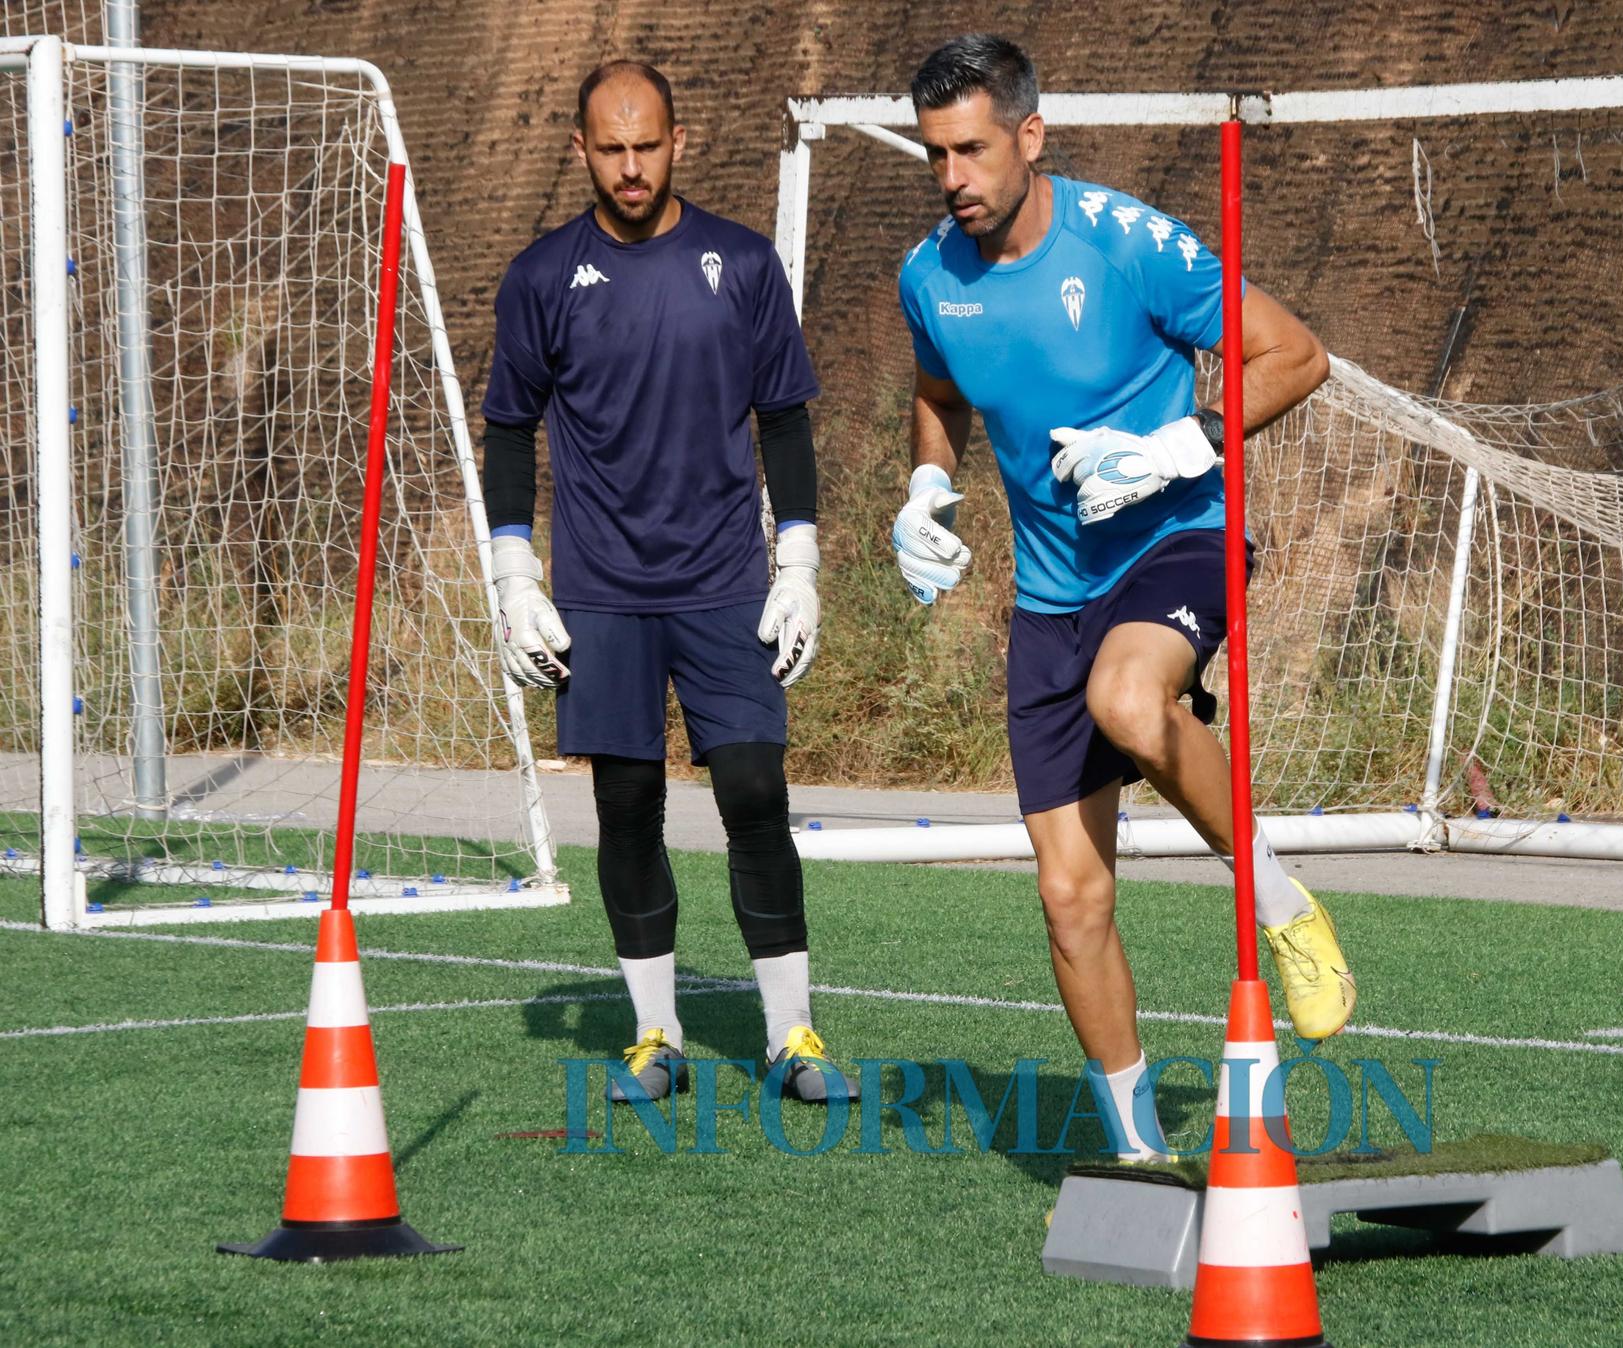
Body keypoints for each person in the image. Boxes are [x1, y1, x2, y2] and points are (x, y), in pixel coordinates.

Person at [892, 35, 1354, 1158]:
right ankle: (1139, 1148)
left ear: (1029, 136)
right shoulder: (928, 278)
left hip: (1179, 539)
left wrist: (1178, 445)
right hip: (1051, 595)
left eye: (971, 149)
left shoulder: (1127, 243)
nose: (952, 176)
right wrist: (924, 490)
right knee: (1068, 896)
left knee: (1133, 703)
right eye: (934, 154)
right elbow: (939, 396)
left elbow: (1294, 356)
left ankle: (1282, 903)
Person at [481, 58, 854, 1105]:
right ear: (581, 151)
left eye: (648, 145)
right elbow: (508, 430)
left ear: (678, 141)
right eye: (611, 148)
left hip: (726, 580)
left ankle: (794, 1038)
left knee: (752, 791)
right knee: (629, 805)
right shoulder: (540, 276)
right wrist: (514, 574)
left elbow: (783, 418)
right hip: (598, 590)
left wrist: (801, 561)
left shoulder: (739, 263)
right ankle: (657, 1037)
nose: (632, 166)